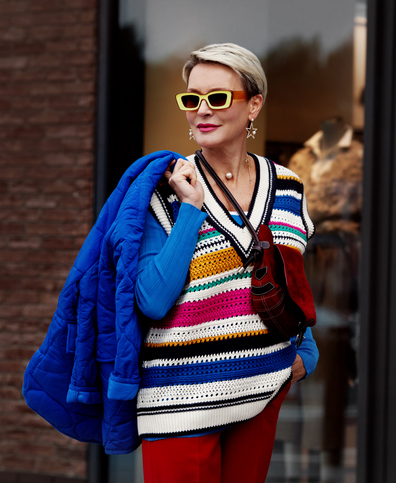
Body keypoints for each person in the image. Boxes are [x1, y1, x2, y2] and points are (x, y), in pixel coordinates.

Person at [133, 43, 319, 482]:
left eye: (217, 97)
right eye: (191, 98)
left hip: (262, 387)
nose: (202, 110)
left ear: (254, 105)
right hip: (180, 399)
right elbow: (152, 299)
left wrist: (304, 354)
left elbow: (293, 277)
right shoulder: (164, 189)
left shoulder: (288, 186)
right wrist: (191, 210)